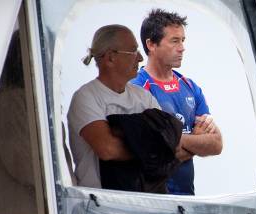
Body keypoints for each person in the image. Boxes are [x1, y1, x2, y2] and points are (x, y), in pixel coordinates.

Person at [68, 24, 183, 188]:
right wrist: (152, 150)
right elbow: (107, 149)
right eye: (133, 51)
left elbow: (171, 143)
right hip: (100, 206)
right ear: (110, 57)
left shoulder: (144, 97)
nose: (140, 58)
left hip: (145, 205)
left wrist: (126, 135)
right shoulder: (86, 97)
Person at [132, 9, 223, 195]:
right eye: (174, 41)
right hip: (151, 203)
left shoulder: (190, 87)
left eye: (183, 40)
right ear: (151, 44)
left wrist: (172, 140)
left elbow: (216, 143)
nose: (182, 47)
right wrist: (197, 142)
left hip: (187, 201)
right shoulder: (137, 89)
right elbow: (152, 155)